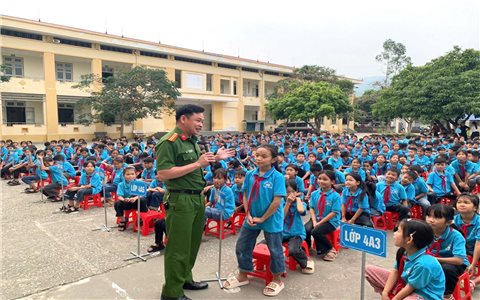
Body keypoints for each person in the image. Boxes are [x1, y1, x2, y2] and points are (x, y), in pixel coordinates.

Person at [155, 104, 234, 300]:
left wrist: (215, 158)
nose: (201, 124)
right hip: (180, 200)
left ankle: (184, 278)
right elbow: (163, 174)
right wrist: (198, 163)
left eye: (201, 120)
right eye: (198, 120)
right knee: (178, 248)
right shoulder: (169, 142)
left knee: (191, 245)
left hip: (197, 198)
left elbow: (193, 166)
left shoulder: (191, 141)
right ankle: (172, 292)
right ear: (183, 119)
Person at [223, 144, 287, 296]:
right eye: (257, 155)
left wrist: (263, 218)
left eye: (264, 156)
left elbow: (277, 201)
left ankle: (277, 279)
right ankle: (243, 273)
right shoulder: (251, 174)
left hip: (270, 218)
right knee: (243, 245)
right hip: (252, 217)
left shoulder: (277, 177)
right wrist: (249, 214)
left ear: (273, 159)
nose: (258, 158)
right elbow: (245, 195)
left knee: (275, 249)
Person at [365, 219, 445, 300]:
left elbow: (411, 287)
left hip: (423, 294)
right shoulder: (403, 251)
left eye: (398, 231)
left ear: (409, 239)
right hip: (404, 283)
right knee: (368, 270)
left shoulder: (424, 264)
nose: (394, 233)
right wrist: (385, 293)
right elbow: (395, 271)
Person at [425, 204, 469, 298]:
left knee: (447, 269)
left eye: (436, 217)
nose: (431, 220)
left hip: (454, 264)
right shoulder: (425, 231)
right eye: (429, 216)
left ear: (448, 222)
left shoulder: (456, 236)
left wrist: (435, 259)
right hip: (433, 260)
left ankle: (447, 295)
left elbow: (459, 260)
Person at [305, 170, 341, 261]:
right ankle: (307, 246)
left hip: (330, 221)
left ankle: (330, 249)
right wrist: (314, 221)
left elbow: (334, 212)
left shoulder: (336, 196)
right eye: (319, 179)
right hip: (316, 218)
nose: (321, 181)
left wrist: (319, 223)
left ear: (332, 182)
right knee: (306, 229)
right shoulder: (314, 194)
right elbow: (312, 208)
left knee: (316, 231)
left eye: (325, 179)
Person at [283, 179, 314, 274]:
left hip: (296, 233)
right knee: (264, 245)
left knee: (293, 250)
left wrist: (297, 199)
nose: (290, 194)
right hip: (281, 232)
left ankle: (306, 260)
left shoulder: (300, 202)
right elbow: (281, 217)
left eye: (293, 192)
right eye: (287, 192)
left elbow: (301, 211)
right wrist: (287, 203)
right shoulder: (280, 202)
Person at [453, 193, 480, 290]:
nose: (461, 204)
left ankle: (473, 282)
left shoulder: (478, 222)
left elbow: (478, 244)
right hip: (460, 247)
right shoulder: (453, 220)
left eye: (466, 202)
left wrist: (473, 264)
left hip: (475, 246)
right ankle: (463, 279)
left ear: (475, 208)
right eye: (459, 202)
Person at [114, 166, 149, 231]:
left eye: (132, 174)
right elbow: (119, 196)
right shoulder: (121, 184)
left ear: (136, 175)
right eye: (128, 174)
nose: (130, 176)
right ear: (124, 175)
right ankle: (123, 220)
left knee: (143, 200)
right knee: (117, 203)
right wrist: (124, 199)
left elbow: (143, 194)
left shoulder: (140, 183)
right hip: (127, 202)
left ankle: (140, 218)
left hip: (137, 202)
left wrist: (135, 198)